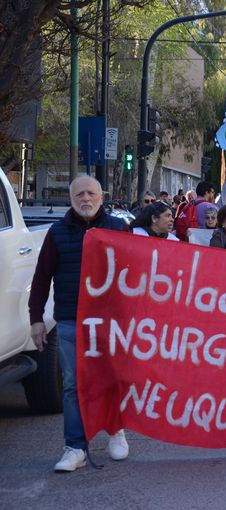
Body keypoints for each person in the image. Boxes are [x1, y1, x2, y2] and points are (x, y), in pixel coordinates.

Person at [28, 175, 129, 472]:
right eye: (79, 194)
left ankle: (115, 431)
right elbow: (41, 278)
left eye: (90, 193)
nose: (85, 199)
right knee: (73, 385)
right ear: (71, 199)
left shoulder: (119, 229)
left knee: (112, 379)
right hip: (71, 320)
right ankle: (75, 447)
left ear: (102, 196)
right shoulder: (57, 233)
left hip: (110, 322)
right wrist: (36, 319)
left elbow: (137, 273)